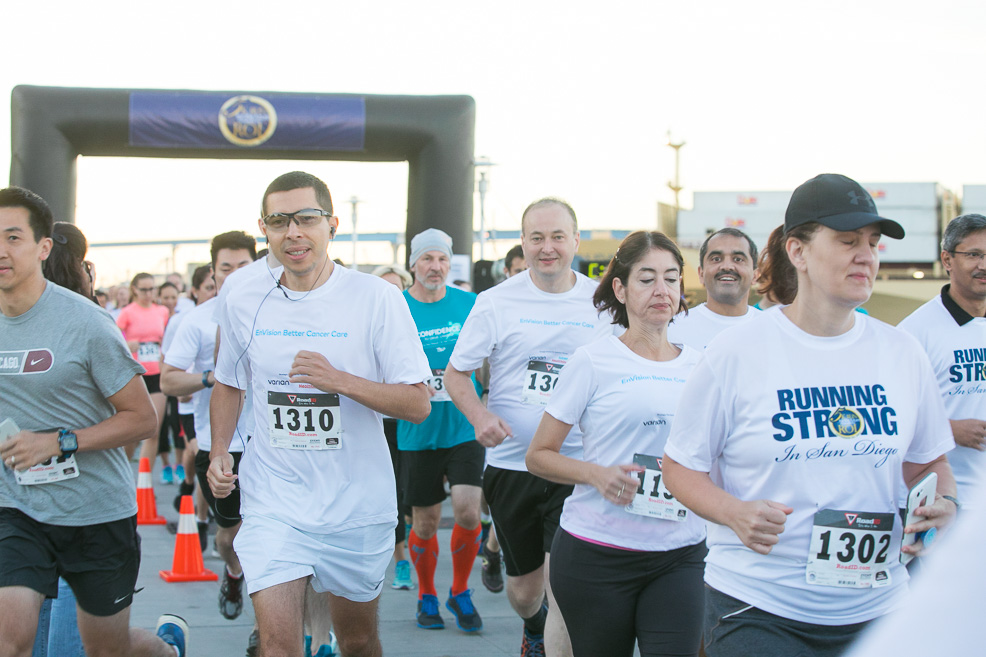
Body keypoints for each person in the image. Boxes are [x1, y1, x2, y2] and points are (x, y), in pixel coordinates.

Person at [661, 173, 958, 657]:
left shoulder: (902, 352)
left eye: (873, 242)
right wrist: (732, 512)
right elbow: (678, 466)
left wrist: (943, 503)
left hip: (880, 608)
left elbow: (929, 463)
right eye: (847, 241)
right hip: (759, 605)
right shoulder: (735, 353)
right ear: (797, 252)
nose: (867, 255)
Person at [207, 171, 431, 657]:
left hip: (356, 504)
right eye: (279, 221)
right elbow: (228, 382)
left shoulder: (377, 298)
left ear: (330, 224)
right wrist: (220, 450)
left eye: (306, 219)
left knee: (356, 640)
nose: (293, 233)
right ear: (262, 228)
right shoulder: (242, 294)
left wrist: (339, 381)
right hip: (275, 499)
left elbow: (417, 403)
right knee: (279, 645)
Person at [0, 186, 187, 657]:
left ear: (43, 247)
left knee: (104, 648)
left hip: (95, 512)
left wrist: (58, 442)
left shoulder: (86, 323)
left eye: (12, 237)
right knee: (10, 639)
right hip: (16, 507)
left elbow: (142, 419)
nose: (0, 251)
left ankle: (164, 650)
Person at [446, 197, 617, 657]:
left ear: (575, 241)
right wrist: (480, 417)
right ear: (523, 243)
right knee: (525, 594)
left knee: (563, 584)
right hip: (512, 463)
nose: (548, 248)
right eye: (537, 238)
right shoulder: (494, 302)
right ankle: (534, 627)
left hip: (576, 465)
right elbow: (455, 373)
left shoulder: (601, 302)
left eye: (558, 237)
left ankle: (555, 643)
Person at [527, 230, 706, 657]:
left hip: (679, 553)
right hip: (597, 554)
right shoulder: (592, 361)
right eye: (647, 279)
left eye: (671, 278)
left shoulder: (703, 365)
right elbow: (538, 455)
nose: (662, 290)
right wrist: (597, 475)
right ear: (621, 289)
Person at [161, 231, 256, 641]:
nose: (234, 275)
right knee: (231, 537)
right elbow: (167, 381)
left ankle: (268, 625)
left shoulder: (283, 311)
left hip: (273, 445)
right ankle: (233, 573)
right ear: (212, 274)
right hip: (219, 444)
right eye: (225, 268)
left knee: (276, 536)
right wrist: (210, 377)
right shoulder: (196, 321)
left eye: (243, 267)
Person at [398, 229, 485, 632]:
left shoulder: (470, 304)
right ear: (413, 263)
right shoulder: (396, 308)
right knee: (426, 522)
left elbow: (489, 358)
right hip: (417, 428)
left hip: (465, 424)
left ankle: (461, 590)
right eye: (428, 259)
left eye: (443, 260)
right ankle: (427, 593)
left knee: (468, 509)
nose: (436, 267)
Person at [899, 213, 986, 508]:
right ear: (947, 260)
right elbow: (890, 416)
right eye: (974, 255)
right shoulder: (914, 333)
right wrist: (949, 430)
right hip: (945, 501)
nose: (983, 265)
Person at [371, 263, 415, 594]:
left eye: (397, 288)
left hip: (413, 423)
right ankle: (400, 559)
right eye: (384, 287)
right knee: (393, 493)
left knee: (411, 496)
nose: (391, 294)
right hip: (378, 425)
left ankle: (406, 545)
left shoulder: (415, 324)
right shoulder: (364, 324)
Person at [667, 227, 759, 349]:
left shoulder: (772, 329)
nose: (727, 266)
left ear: (755, 275)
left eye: (738, 259)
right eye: (716, 259)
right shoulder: (673, 331)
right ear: (701, 274)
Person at [115, 273, 169, 464]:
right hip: (135, 375)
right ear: (135, 290)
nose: (148, 293)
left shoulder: (162, 311)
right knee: (134, 432)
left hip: (157, 374)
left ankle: (145, 484)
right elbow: (112, 339)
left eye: (152, 289)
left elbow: (167, 338)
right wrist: (127, 345)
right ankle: (124, 468)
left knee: (153, 430)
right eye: (144, 289)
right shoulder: (128, 312)